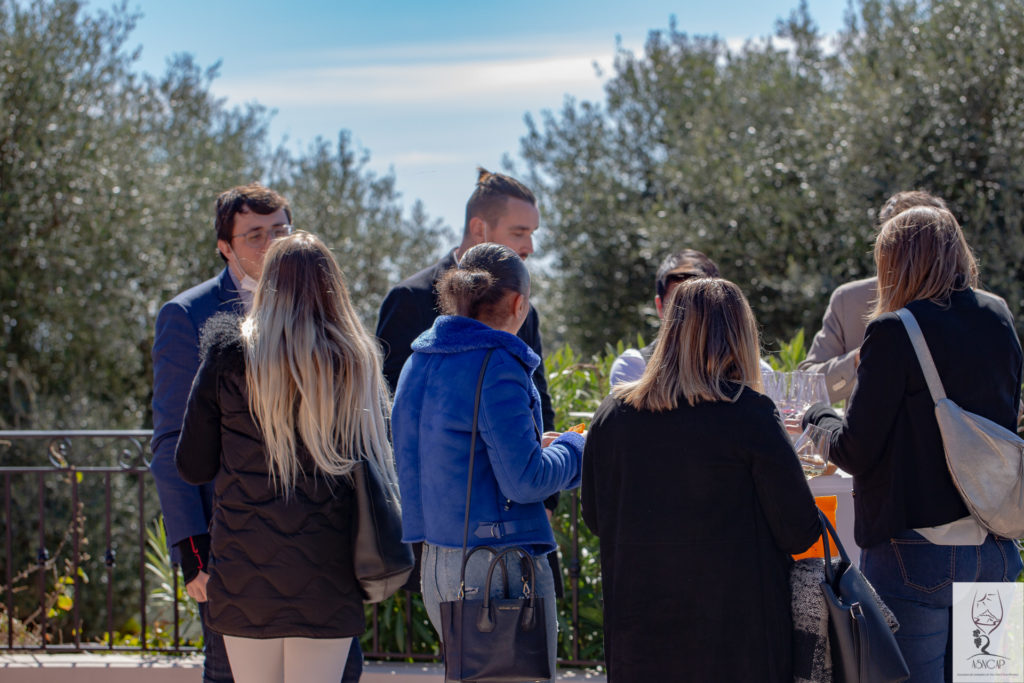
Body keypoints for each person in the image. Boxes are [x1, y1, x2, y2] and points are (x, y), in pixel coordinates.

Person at [803, 206, 1023, 681]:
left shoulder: (892, 331)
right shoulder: (999, 315)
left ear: (893, 263)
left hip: (916, 552)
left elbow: (855, 448)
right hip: (997, 546)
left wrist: (816, 417)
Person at [174, 232, 395, 683]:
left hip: (244, 575)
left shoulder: (228, 354)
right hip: (328, 574)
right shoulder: (355, 360)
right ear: (333, 285)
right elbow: (380, 464)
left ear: (267, 283)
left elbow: (192, 465)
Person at [582, 277, 820, 683]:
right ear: (742, 335)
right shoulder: (750, 412)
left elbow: (595, 517)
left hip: (640, 640)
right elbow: (799, 531)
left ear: (670, 331)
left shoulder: (613, 414)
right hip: (738, 644)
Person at [391, 243, 584, 679]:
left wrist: (543, 447)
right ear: (519, 303)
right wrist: (576, 450)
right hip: (499, 565)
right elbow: (527, 481)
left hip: (440, 564)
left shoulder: (418, 361)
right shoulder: (498, 364)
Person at [151, 183, 296, 682]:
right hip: (230, 552)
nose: (272, 244)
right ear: (225, 247)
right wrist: (194, 558)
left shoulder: (314, 309)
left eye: (280, 231)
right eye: (255, 235)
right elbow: (172, 442)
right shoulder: (187, 316)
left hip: (312, 545)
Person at [376, 167, 553, 429]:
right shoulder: (410, 299)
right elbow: (390, 404)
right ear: (479, 228)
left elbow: (540, 406)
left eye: (532, 233)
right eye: (518, 233)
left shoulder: (526, 312)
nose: (530, 248)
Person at [799, 190, 949, 403]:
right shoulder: (850, 300)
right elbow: (806, 387)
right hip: (868, 434)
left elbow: (1010, 406)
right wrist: (861, 358)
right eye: (909, 241)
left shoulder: (979, 309)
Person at [609, 249, 721, 386]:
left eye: (699, 303)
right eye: (677, 305)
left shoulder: (746, 367)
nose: (689, 315)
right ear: (660, 307)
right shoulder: (634, 368)